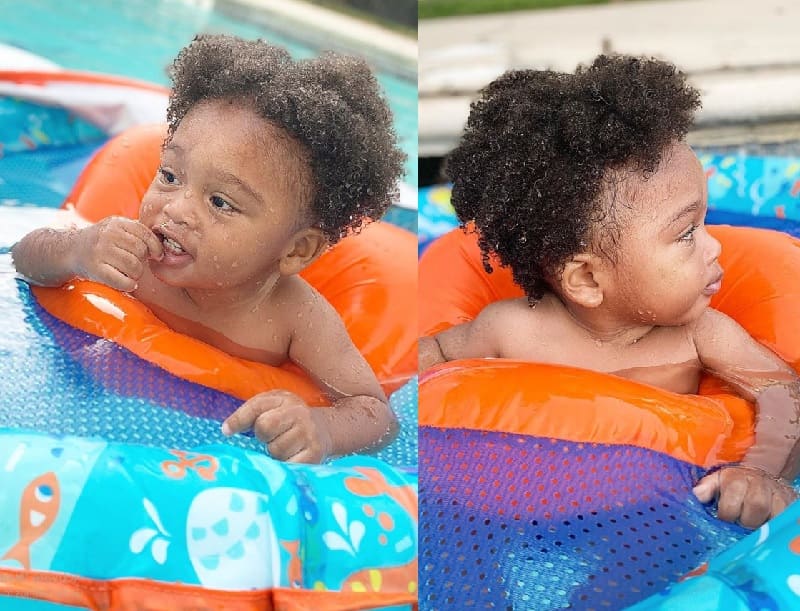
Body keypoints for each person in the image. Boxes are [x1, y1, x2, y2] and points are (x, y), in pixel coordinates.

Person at [418, 55, 800, 529]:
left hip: (650, 514)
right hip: (505, 505)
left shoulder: (701, 336)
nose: (715, 243)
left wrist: (762, 471)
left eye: (704, 222)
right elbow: (426, 360)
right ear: (587, 280)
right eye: (687, 233)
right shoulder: (510, 330)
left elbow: (783, 390)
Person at [12, 34, 406, 464]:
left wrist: (324, 430)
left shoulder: (297, 319)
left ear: (296, 251)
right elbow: (25, 255)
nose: (175, 208)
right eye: (169, 176)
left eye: (220, 202)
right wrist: (75, 250)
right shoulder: (131, 256)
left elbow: (374, 413)